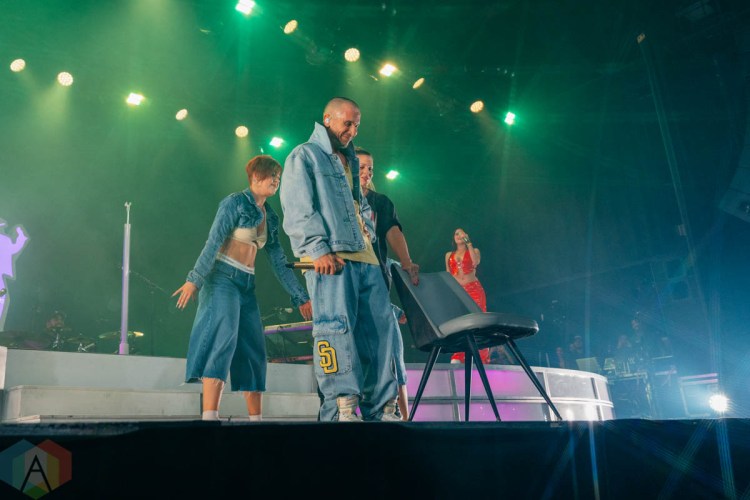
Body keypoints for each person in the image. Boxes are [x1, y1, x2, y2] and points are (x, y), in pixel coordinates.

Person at [280, 97, 401, 422]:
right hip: (331, 258)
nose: (353, 131)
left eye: (357, 125)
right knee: (334, 330)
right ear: (327, 119)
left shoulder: (349, 159)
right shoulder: (305, 155)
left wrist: (370, 237)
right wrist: (316, 248)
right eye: (347, 123)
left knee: (380, 332)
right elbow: (296, 206)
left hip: (368, 259)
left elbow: (359, 204)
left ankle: (382, 408)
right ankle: (342, 407)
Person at [173, 155, 312, 421]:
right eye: (272, 176)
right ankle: (210, 416)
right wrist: (195, 279)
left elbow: (279, 261)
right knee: (223, 337)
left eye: (278, 177)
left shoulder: (270, 216)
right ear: (256, 177)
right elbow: (213, 241)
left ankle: (255, 421)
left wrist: (300, 296)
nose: (276, 180)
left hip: (247, 284)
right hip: (222, 278)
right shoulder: (234, 203)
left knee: (254, 347)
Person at [357, 146, 420, 421]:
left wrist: (407, 261)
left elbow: (392, 230)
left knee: (384, 345)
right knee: (354, 345)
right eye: (360, 167)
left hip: (376, 279)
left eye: (370, 168)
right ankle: (348, 407)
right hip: (345, 279)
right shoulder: (338, 199)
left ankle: (387, 407)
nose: (366, 172)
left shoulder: (380, 202)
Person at [445, 228, 492, 364]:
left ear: (466, 236)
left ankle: (481, 357)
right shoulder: (449, 255)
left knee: (478, 321)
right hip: (458, 290)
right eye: (456, 233)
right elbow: (448, 275)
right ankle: (458, 354)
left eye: (461, 233)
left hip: (474, 289)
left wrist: (469, 244)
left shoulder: (474, 250)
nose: (458, 235)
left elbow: (475, 262)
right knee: (458, 322)